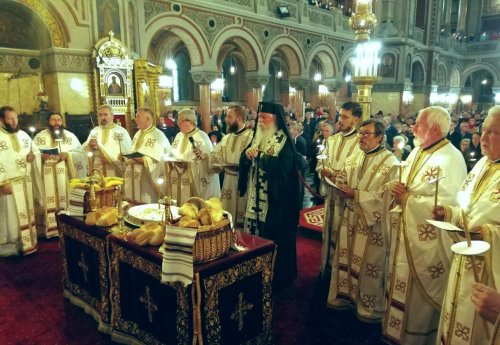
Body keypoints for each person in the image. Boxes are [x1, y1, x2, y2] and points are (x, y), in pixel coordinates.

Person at [382, 106, 467, 345]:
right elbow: (404, 183)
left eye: (418, 124)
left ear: (436, 128)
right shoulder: (418, 151)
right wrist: (394, 188)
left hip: (427, 244)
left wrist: (406, 199)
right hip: (405, 236)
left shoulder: (451, 159)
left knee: (417, 297)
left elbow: (448, 205)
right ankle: (394, 332)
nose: (413, 128)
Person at [434, 106, 500, 345]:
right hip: (464, 263)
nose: (483, 138)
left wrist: (486, 233)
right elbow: (469, 208)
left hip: (490, 274)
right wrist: (449, 212)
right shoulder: (483, 164)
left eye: (493, 133)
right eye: (483, 131)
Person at [327, 119, 398, 322]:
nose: (361, 137)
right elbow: (343, 177)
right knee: (346, 259)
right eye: (360, 133)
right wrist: (338, 182)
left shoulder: (390, 163)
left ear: (379, 137)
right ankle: (344, 297)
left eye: (366, 134)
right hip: (350, 218)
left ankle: (367, 307)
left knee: (368, 266)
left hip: (371, 226)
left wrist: (356, 195)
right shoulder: (355, 156)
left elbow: (386, 199)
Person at [238, 101, 301, 290]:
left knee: (275, 239)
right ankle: (255, 272)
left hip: (277, 205)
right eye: (260, 117)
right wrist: (246, 157)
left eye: (265, 117)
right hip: (255, 201)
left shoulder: (284, 143)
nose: (261, 121)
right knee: (254, 237)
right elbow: (244, 160)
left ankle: (277, 276)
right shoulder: (257, 137)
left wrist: (262, 158)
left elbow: (284, 174)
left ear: (276, 120)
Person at [317, 102, 362, 278]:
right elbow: (321, 162)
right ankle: (327, 270)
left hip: (347, 198)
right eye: (339, 116)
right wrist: (322, 171)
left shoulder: (361, 142)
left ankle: (340, 275)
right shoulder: (332, 139)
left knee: (343, 236)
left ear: (356, 120)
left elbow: (358, 170)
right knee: (328, 232)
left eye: (345, 117)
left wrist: (336, 176)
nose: (340, 120)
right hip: (330, 194)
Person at [34, 112, 86, 238]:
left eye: (59, 120)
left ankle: (69, 227)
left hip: (65, 177)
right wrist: (41, 156)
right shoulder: (39, 137)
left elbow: (80, 153)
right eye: (53, 120)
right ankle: (49, 228)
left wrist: (68, 155)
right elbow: (32, 154)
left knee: (66, 197)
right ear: (48, 122)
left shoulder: (70, 136)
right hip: (46, 178)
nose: (56, 123)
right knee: (48, 200)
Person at [0, 106, 43, 256]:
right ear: (1, 120)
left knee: (27, 214)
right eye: (10, 118)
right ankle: (8, 249)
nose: (14, 121)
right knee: (9, 217)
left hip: (25, 183)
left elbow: (35, 152)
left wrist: (32, 157)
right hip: (7, 185)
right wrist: (1, 183)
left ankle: (28, 243)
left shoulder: (24, 135)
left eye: (16, 117)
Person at [207, 105, 253, 226]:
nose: (226, 119)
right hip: (227, 179)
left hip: (244, 180)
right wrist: (204, 156)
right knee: (227, 214)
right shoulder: (227, 137)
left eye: (229, 116)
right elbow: (215, 154)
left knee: (242, 215)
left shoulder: (251, 137)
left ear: (239, 118)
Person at [168, 108, 220, 205]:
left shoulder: (202, 136)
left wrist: (194, 161)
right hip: (178, 177)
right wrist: (172, 161)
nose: (178, 123)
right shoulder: (179, 135)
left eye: (180, 121)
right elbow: (171, 153)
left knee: (194, 207)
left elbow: (210, 160)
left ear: (190, 121)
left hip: (195, 179)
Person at [123, 107, 171, 203]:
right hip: (135, 173)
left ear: (148, 119)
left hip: (147, 178)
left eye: (138, 117)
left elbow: (159, 159)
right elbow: (132, 151)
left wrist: (144, 159)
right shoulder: (138, 133)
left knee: (146, 202)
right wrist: (126, 156)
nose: (135, 120)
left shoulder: (158, 135)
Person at [83, 105, 132, 178]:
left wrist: (110, 158)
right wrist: (89, 146)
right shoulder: (94, 131)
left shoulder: (121, 132)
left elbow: (128, 154)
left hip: (115, 170)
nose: (102, 118)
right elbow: (84, 151)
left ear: (112, 116)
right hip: (97, 168)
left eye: (105, 114)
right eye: (100, 115)